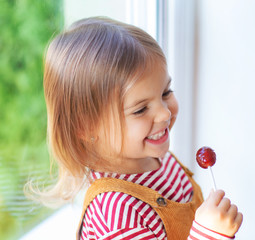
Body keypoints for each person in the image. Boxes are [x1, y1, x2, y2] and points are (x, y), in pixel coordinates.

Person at [37, 16, 243, 239]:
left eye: (166, 93)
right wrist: (210, 234)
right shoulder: (114, 216)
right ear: (86, 127)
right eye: (140, 109)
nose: (165, 113)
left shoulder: (153, 158)